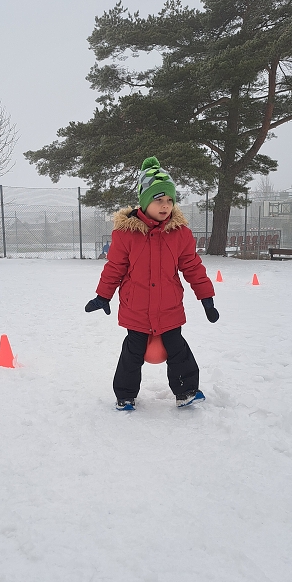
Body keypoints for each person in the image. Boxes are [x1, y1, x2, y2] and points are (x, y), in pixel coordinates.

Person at [85, 156, 219, 411]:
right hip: (136, 309)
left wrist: (206, 297)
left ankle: (187, 390)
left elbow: (192, 266)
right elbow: (114, 268)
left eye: (170, 200)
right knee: (132, 354)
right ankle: (125, 395)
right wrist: (103, 296)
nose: (165, 205)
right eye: (159, 199)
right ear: (145, 201)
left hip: (169, 308)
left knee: (178, 349)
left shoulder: (180, 234)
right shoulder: (126, 235)